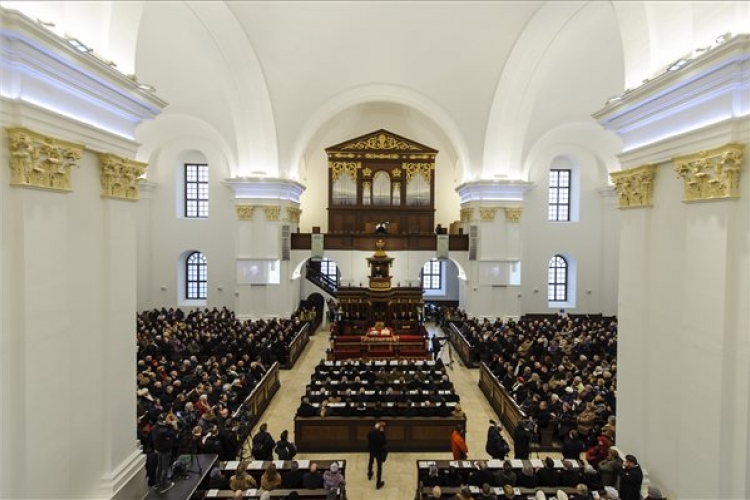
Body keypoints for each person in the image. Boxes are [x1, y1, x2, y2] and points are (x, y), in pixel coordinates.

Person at [151, 413, 177, 494]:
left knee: (159, 467)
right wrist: (174, 426)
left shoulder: (156, 427)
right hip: (166, 451)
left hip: (159, 450)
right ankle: (164, 486)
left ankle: (157, 484)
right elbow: (173, 434)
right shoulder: (164, 431)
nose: (167, 420)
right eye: (166, 419)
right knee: (165, 469)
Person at [367, 421, 387, 489]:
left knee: (371, 461)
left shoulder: (370, 433)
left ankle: (369, 474)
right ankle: (378, 483)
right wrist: (382, 432)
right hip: (379, 452)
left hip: (372, 450)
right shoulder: (379, 435)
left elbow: (368, 438)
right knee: (379, 467)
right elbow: (384, 442)